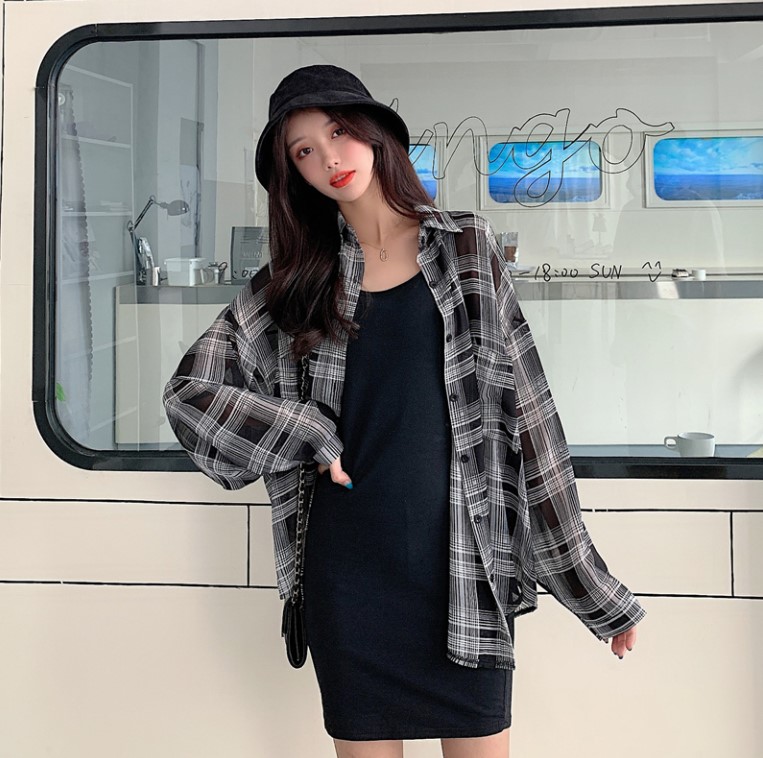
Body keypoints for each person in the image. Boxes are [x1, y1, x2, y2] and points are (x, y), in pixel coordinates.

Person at [163, 64, 646, 758]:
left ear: (373, 134)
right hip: (349, 574)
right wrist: (303, 430)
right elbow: (190, 393)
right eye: (303, 150)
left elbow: (531, 423)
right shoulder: (293, 284)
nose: (328, 157)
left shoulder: (466, 248)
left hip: (464, 568)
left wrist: (592, 591)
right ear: (292, 173)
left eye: (337, 132)